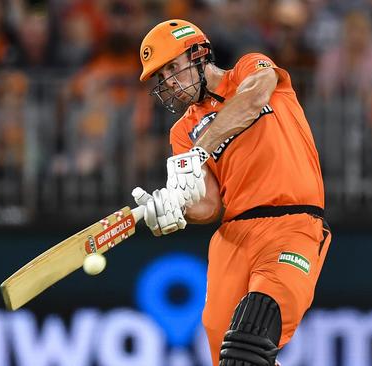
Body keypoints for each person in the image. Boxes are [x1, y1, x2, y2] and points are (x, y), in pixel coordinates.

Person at [132, 19, 332, 366]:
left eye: (173, 68)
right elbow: (210, 205)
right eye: (161, 78)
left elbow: (254, 99)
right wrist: (173, 208)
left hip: (291, 225)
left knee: (249, 340)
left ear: (198, 53)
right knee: (230, 358)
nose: (170, 83)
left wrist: (200, 150)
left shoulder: (248, 70)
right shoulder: (182, 131)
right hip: (232, 239)